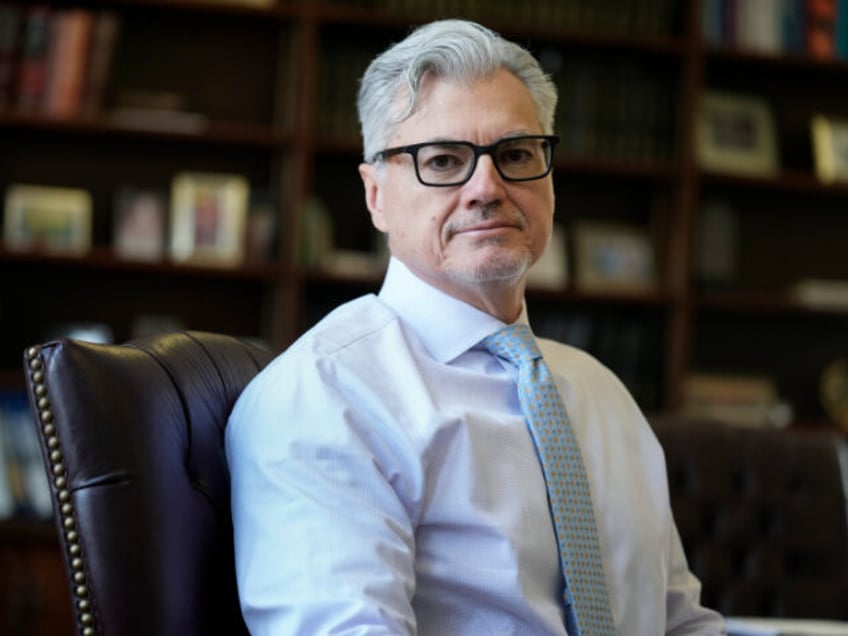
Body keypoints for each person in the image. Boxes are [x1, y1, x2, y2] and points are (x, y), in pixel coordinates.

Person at [226, 18, 726, 635]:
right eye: (442, 160)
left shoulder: (602, 393)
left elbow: (680, 623)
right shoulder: (326, 397)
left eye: (516, 155)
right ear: (375, 194)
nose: (486, 188)